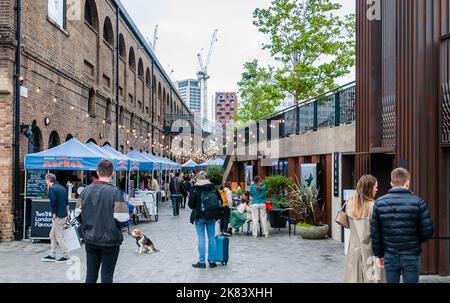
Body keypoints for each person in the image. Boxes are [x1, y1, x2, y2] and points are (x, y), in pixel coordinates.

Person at [371, 168, 434, 284]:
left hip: (390, 254)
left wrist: (379, 255)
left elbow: (375, 233)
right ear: (408, 183)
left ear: (391, 184)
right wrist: (415, 240)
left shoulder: (379, 203)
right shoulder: (418, 202)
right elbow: (428, 230)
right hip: (411, 254)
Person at [76, 160, 129, 283]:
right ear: (112, 174)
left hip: (91, 238)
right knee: (107, 276)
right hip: (110, 241)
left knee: (91, 275)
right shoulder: (116, 192)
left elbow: (77, 215)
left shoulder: (85, 191)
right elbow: (122, 218)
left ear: (97, 172)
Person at [344, 175, 386, 283]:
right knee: (373, 279)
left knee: (354, 279)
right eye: (375, 187)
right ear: (369, 188)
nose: (377, 189)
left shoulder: (349, 204)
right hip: (370, 252)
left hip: (354, 250)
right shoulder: (374, 206)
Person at [188, 171, 222, 269]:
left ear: (197, 179)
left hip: (200, 217)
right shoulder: (213, 188)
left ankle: (201, 262)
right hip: (211, 216)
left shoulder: (195, 189)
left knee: (201, 238)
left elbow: (190, 205)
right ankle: (212, 261)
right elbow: (220, 201)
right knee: (212, 238)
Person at [41, 174, 70, 263]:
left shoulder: (52, 189)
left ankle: (66, 256)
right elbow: (67, 203)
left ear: (49, 180)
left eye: (46, 180)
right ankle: (52, 254)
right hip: (64, 214)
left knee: (58, 236)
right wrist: (68, 214)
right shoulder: (62, 188)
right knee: (52, 235)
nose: (46, 182)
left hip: (58, 215)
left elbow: (53, 203)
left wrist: (53, 214)